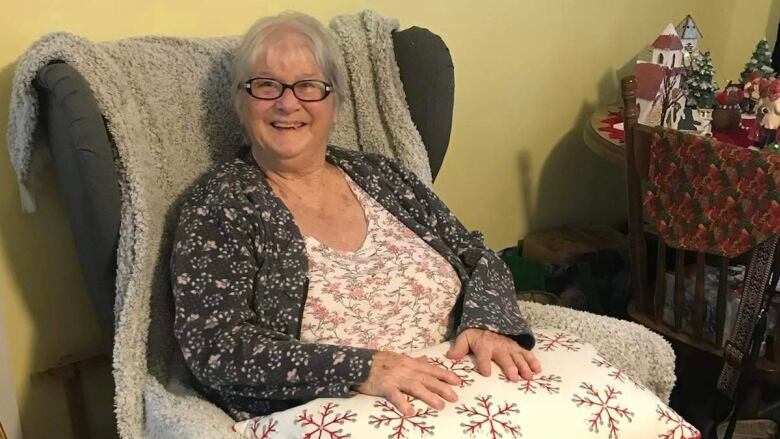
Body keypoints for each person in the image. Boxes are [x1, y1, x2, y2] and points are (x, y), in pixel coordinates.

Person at [170, 11, 540, 421]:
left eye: (309, 85)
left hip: (467, 388)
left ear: (335, 102)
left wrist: (488, 322)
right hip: (341, 414)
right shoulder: (219, 205)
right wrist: (363, 368)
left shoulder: (384, 175)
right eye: (266, 85)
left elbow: (476, 255)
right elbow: (217, 346)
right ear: (240, 102)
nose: (287, 102)